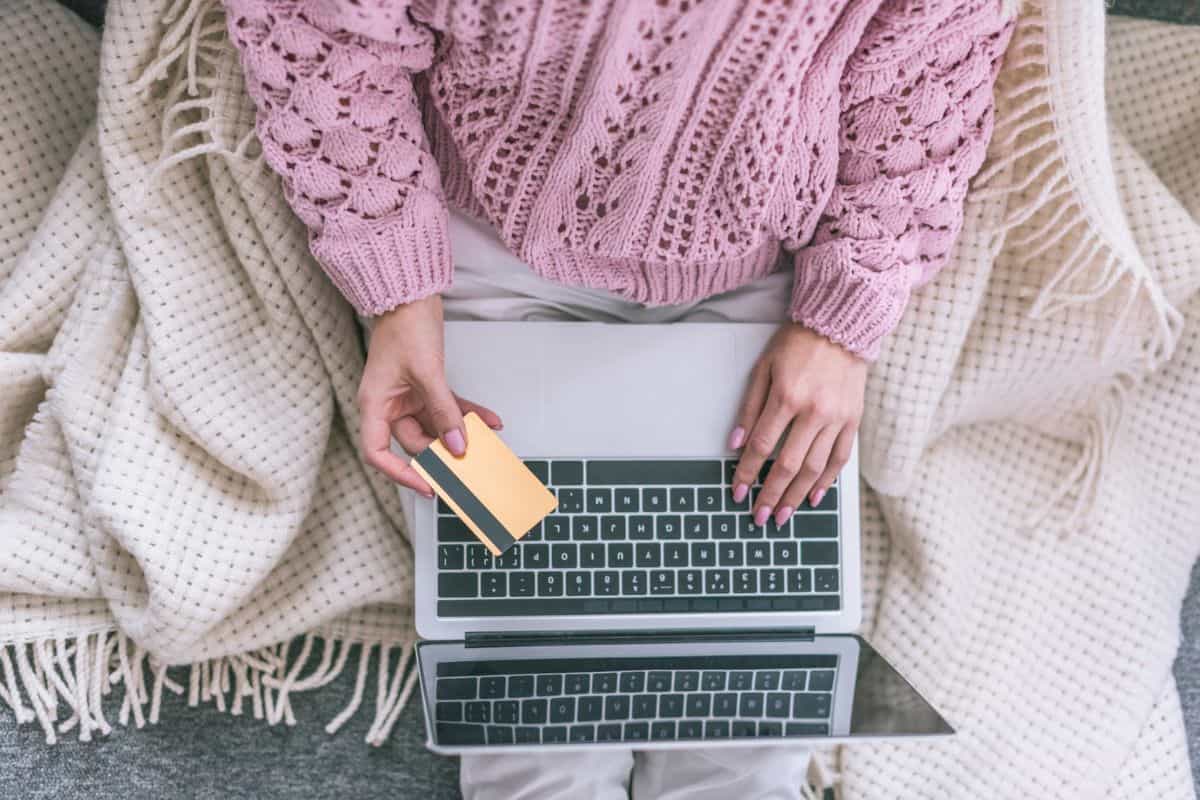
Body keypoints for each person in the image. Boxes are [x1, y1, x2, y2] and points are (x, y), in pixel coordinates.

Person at [225, 0, 1014, 795]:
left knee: (748, 722)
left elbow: (935, 58)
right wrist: (398, 289)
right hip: (490, 260)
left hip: (764, 287)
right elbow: (316, 30)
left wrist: (843, 319)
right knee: (535, 722)